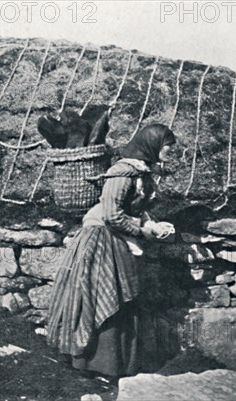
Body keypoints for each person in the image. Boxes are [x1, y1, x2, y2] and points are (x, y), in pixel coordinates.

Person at [46, 123, 177, 380]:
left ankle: (119, 365)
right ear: (152, 145)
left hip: (119, 238)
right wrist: (142, 231)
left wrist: (151, 223)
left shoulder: (143, 172)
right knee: (105, 293)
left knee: (123, 296)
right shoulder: (121, 174)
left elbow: (132, 209)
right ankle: (94, 363)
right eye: (168, 146)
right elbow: (111, 214)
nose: (171, 151)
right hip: (102, 239)